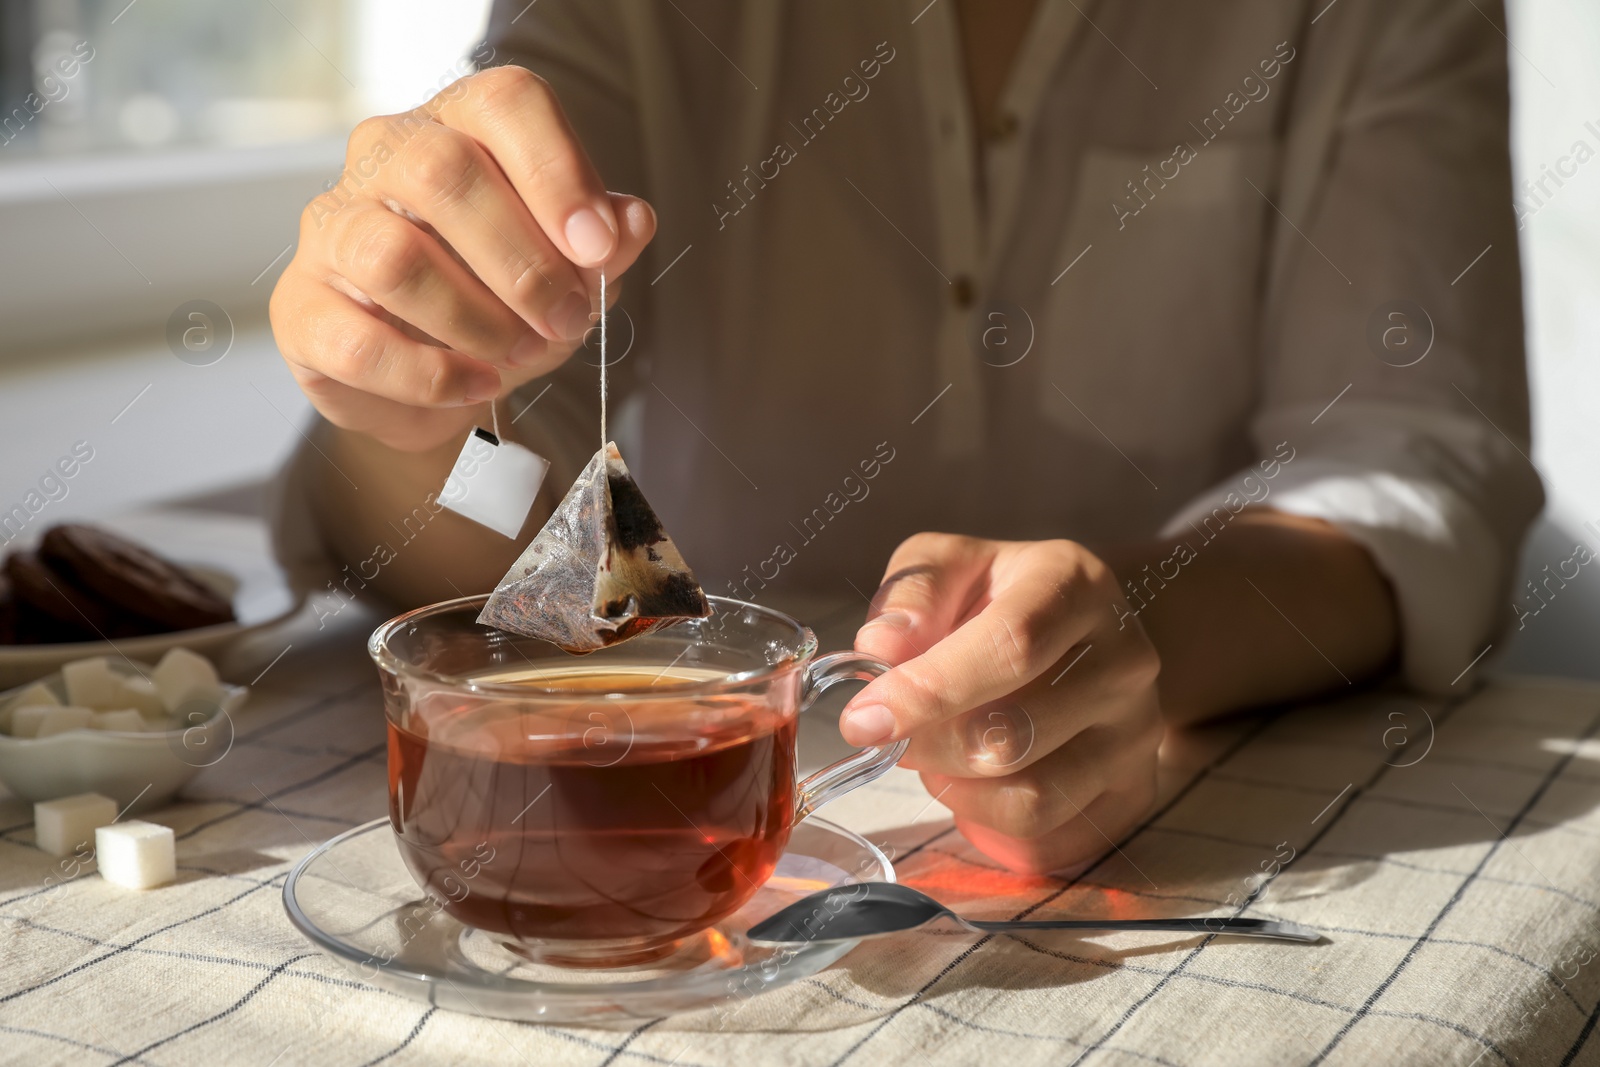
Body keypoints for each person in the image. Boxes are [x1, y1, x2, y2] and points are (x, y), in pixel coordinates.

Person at [268, 0, 1540, 874]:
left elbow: (1420, 458)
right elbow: (505, 503)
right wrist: (419, 399)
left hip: (1178, 806)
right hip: (677, 798)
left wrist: (1147, 623)